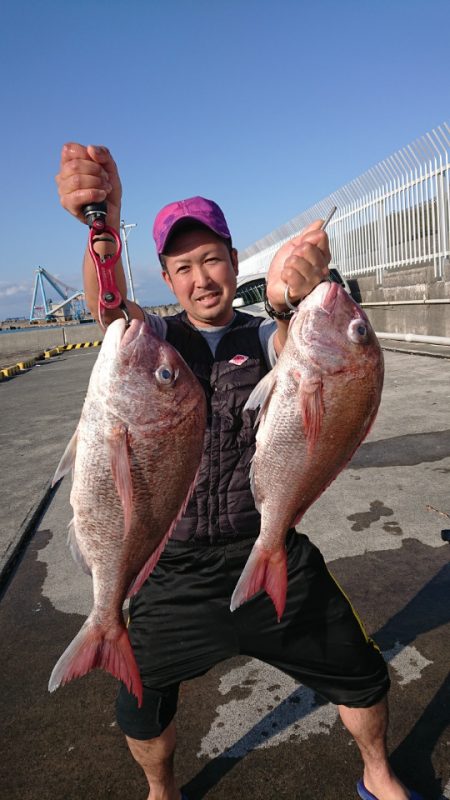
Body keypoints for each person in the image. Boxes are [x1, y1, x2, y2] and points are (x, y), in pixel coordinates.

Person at [56, 143, 423, 800]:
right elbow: (111, 312)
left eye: (213, 260)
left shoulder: (263, 338)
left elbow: (296, 343)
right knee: (141, 709)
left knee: (362, 673)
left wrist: (290, 296)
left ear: (233, 260)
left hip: (266, 544)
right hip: (172, 569)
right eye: (184, 266)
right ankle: (160, 791)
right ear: (168, 279)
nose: (202, 278)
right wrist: (102, 233)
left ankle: (378, 772)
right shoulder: (155, 346)